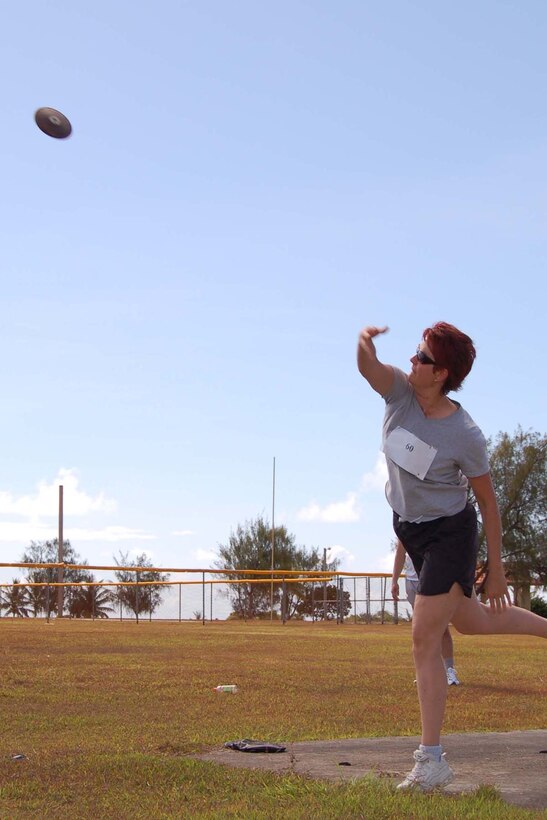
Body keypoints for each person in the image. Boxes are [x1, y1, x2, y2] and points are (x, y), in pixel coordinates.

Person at [357, 322, 547, 792]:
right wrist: (364, 341)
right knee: (472, 621)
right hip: (410, 527)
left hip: (450, 532)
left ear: (440, 373)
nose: (411, 360)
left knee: (425, 636)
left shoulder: (465, 434)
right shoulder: (400, 394)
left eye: (421, 357)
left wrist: (497, 569)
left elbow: (488, 503)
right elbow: (368, 368)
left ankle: (432, 759)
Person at [392, 540, 460, 686]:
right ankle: (426, 672)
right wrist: (394, 580)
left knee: (442, 628)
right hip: (411, 581)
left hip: (434, 579)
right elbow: (400, 553)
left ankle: (449, 671)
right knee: (421, 630)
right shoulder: (405, 521)